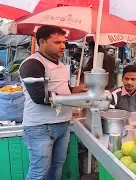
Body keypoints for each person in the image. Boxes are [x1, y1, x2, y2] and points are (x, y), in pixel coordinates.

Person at [19, 25, 88, 180]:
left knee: (57, 166)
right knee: (39, 172)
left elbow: (61, 88)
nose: (63, 46)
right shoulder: (32, 64)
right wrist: (77, 100)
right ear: (42, 42)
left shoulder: (60, 64)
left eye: (64, 42)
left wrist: (76, 89)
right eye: (57, 42)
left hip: (62, 123)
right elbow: (40, 96)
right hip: (40, 127)